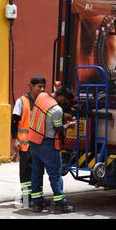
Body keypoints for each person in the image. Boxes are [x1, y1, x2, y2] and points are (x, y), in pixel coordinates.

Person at [28, 85, 76, 214]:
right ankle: (61, 204)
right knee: (55, 174)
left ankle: (37, 203)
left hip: (34, 141)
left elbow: (45, 115)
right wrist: (69, 125)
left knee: (36, 173)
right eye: (64, 100)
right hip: (47, 144)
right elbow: (58, 129)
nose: (64, 103)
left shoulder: (42, 97)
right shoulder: (56, 109)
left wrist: (62, 115)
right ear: (61, 96)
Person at [11, 76, 46, 207]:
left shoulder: (43, 101)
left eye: (43, 87)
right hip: (25, 146)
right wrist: (15, 140)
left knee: (38, 172)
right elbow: (14, 121)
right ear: (30, 86)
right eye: (39, 87)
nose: (42, 89)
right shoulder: (22, 101)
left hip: (39, 145)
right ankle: (26, 199)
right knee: (26, 173)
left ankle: (37, 199)